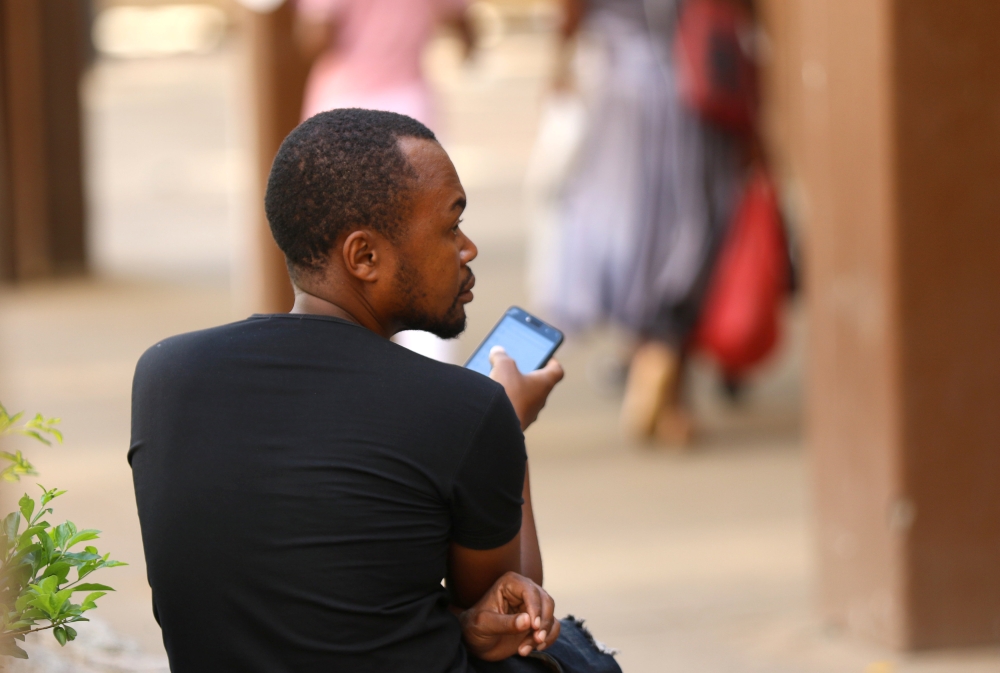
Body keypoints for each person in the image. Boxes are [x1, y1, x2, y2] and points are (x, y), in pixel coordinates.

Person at [129, 109, 621, 673]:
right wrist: (507, 428)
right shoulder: (465, 408)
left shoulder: (166, 372)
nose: (468, 248)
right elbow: (511, 616)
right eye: (451, 226)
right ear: (364, 257)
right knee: (574, 653)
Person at [537, 0, 744, 445]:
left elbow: (568, 18)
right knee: (686, 233)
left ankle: (648, 355)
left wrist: (558, 69)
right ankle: (665, 371)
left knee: (637, 234)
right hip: (693, 91)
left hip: (627, 99)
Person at [294, 0, 476, 364]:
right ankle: (428, 362)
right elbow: (464, 27)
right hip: (409, 106)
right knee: (421, 238)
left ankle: (346, 355)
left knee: (333, 242)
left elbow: (317, 35)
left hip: (343, 105)